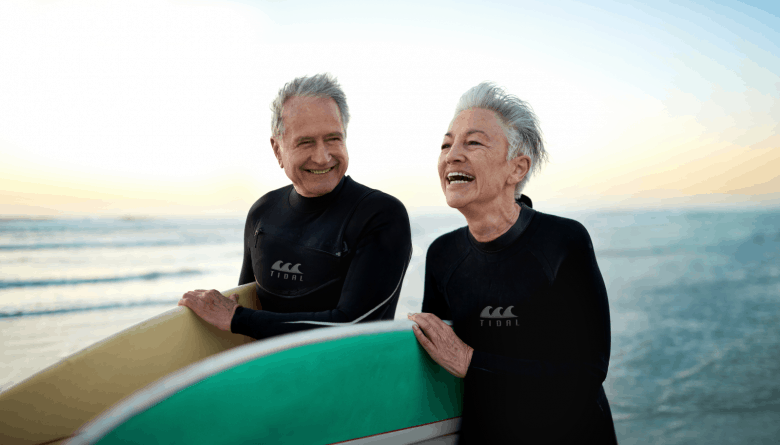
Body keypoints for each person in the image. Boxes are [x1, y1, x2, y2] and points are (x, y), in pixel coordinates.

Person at [408, 82, 617, 443]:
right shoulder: (442, 255)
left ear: (517, 168)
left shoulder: (562, 242)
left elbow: (587, 374)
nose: (452, 155)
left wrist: (472, 362)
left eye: (472, 143)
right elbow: (439, 366)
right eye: (446, 144)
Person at [179, 73, 412, 340]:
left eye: (333, 139)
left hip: (352, 377)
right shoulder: (262, 213)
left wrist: (236, 319)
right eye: (306, 142)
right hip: (276, 376)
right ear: (277, 149)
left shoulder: (380, 215)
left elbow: (355, 324)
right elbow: (246, 305)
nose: (323, 157)